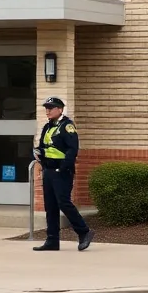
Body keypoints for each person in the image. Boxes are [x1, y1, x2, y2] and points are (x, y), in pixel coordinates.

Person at [32, 96, 94, 252]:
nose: (47, 111)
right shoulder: (47, 127)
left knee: (63, 203)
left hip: (61, 171)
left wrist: (64, 167)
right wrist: (39, 158)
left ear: (60, 109)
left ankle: (84, 231)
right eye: (46, 108)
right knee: (50, 206)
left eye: (50, 108)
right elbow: (43, 147)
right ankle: (52, 240)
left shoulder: (67, 126)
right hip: (49, 170)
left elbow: (72, 149)